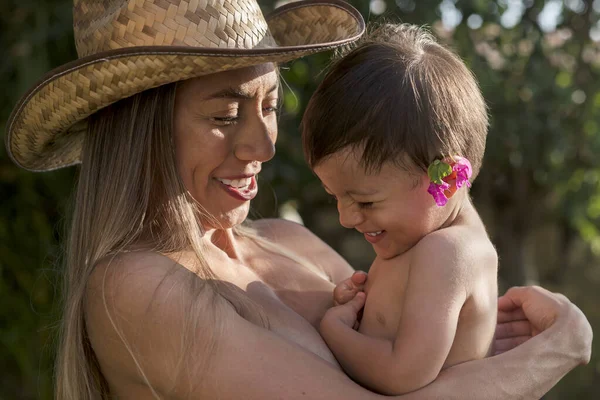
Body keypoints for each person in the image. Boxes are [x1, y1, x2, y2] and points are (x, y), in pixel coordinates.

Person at [4, 1, 591, 399]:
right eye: (224, 113)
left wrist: (487, 341)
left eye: (268, 105)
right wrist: (554, 352)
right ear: (140, 128)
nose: (260, 143)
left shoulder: (292, 243)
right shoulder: (135, 286)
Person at [302, 23, 498, 395]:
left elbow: (402, 374)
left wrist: (336, 330)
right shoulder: (424, 243)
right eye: (334, 196)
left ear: (447, 180)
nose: (346, 217)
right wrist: (363, 310)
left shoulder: (448, 252)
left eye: (365, 201)